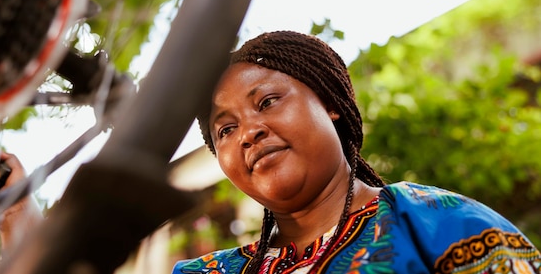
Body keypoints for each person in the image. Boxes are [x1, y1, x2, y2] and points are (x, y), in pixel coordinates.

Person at [172, 30, 541, 274]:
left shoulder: (436, 220)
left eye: (267, 102)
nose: (248, 133)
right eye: (226, 129)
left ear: (329, 103)